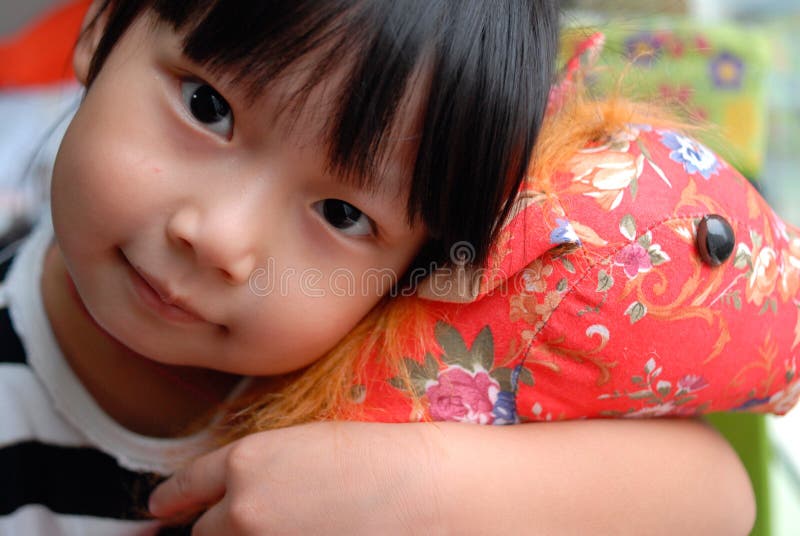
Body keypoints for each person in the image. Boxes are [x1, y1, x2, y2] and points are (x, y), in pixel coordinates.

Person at [0, 0, 774, 534]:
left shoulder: (393, 358)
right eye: (207, 107)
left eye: (342, 215)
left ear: (422, 267)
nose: (221, 239)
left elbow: (720, 495)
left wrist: (426, 494)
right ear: (101, 26)